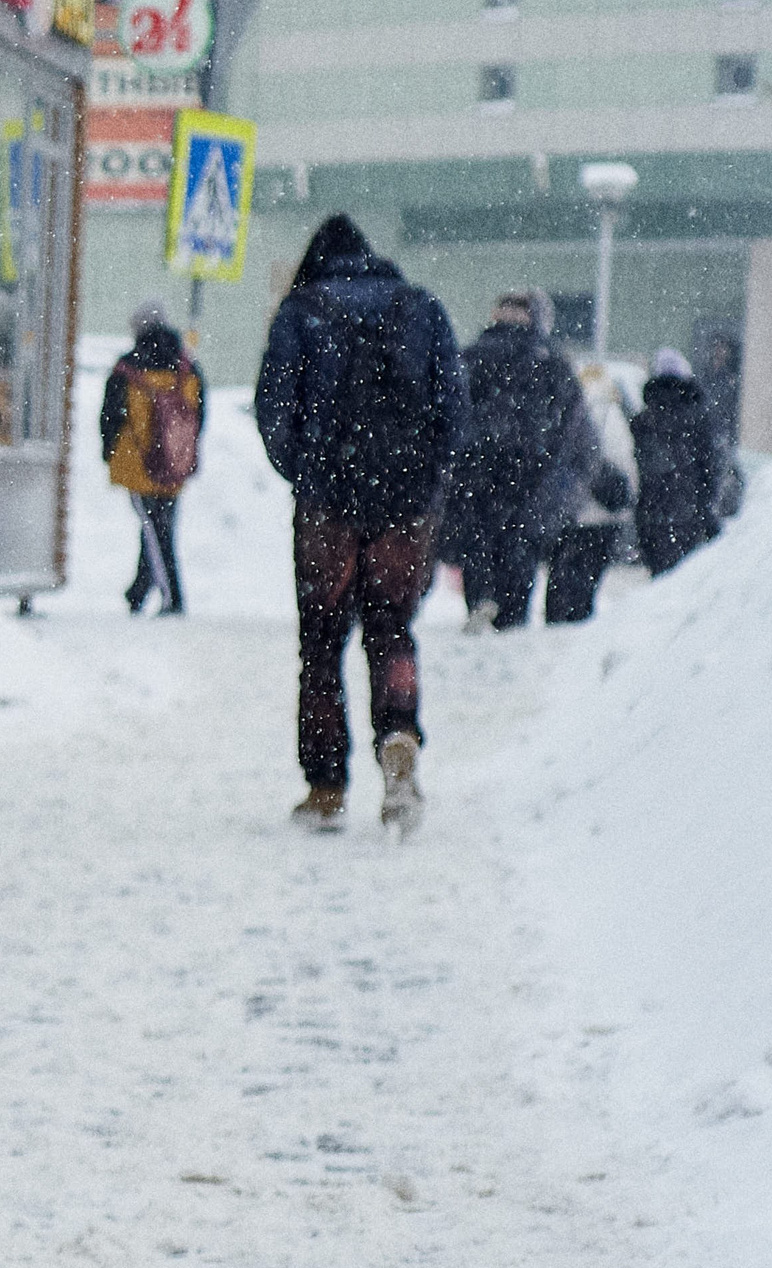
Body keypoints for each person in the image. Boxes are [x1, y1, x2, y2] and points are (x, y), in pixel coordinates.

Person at [255, 214, 467, 835]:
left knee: (320, 645)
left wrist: (305, 469)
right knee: (391, 629)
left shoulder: (303, 311)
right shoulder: (422, 308)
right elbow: (454, 412)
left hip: (329, 500)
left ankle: (325, 789)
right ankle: (399, 738)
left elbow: (274, 408)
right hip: (403, 502)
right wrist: (424, 483)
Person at [447, 290, 590, 631]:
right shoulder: (551, 363)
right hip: (529, 474)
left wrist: (461, 457)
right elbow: (570, 426)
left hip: (476, 473)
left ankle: (481, 599)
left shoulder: (469, 357)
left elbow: (449, 413)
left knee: (478, 541)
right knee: (519, 545)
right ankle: (512, 615)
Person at [101, 299, 206, 616]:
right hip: (175, 459)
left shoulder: (127, 367)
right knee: (159, 525)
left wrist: (109, 452)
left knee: (153, 528)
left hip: (138, 458)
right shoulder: (187, 365)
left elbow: (110, 417)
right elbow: (200, 413)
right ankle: (139, 590)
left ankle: (172, 596)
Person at [543, 362, 637, 625]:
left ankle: (558, 621)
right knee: (589, 579)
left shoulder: (572, 413)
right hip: (606, 515)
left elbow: (563, 460)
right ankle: (580, 621)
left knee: (562, 577)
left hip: (573, 511)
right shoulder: (616, 415)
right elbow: (628, 466)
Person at [631, 347, 726, 576]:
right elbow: (712, 467)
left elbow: (637, 470)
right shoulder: (700, 419)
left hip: (652, 515)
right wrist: (706, 509)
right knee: (684, 580)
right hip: (688, 515)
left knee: (660, 581)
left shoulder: (643, 421)